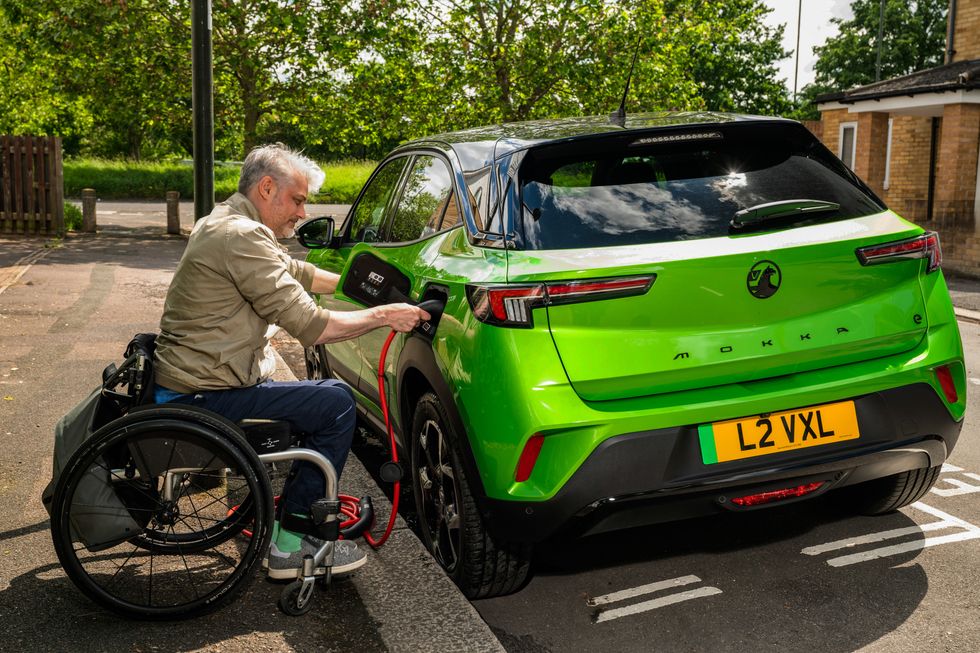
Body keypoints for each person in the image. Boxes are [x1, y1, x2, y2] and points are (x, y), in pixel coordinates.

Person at [153, 143, 429, 579]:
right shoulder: (242, 235)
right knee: (334, 401)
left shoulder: (227, 221)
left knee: (314, 399)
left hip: (191, 381)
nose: (302, 213)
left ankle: (297, 509)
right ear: (267, 188)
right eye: (298, 200)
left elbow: (294, 272)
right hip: (201, 395)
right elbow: (312, 327)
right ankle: (293, 543)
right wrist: (384, 316)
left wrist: (367, 289)